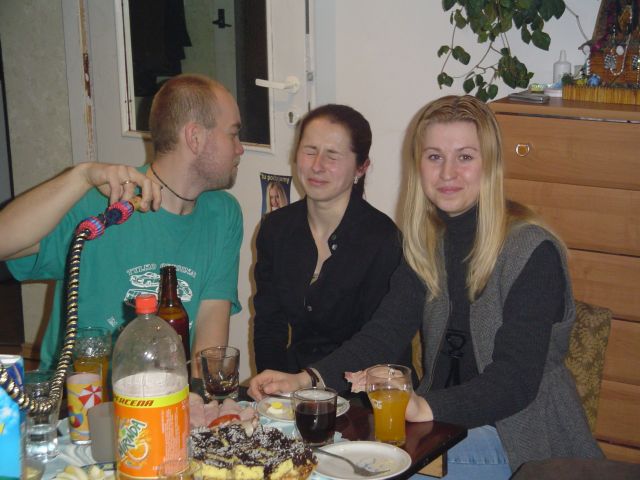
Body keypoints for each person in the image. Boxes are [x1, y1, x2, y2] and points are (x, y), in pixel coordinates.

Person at [248, 96, 602, 477]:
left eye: (465, 157)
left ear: (491, 163)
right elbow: (384, 333)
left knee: (353, 468)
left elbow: (514, 381)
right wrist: (306, 380)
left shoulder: (531, 251)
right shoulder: (427, 244)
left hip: (520, 440)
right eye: (435, 157)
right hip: (443, 425)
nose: (447, 173)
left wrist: (423, 406)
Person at [0, 74, 244, 377]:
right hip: (80, 394)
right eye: (233, 134)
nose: (240, 149)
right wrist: (80, 176)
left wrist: (198, 398)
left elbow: (208, 346)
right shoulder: (103, 203)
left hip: (166, 396)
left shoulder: (223, 214)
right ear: (195, 137)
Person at [252, 104, 408, 390]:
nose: (317, 165)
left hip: (366, 391)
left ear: (361, 167)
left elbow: (379, 343)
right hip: (296, 387)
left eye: (332, 155)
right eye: (309, 151)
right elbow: (269, 325)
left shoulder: (383, 240)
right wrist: (271, 388)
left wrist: (310, 383)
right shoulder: (276, 229)